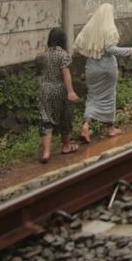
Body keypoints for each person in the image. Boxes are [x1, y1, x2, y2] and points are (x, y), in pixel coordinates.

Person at [74, 3, 132, 142]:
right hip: (108, 67)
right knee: (110, 95)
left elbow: (79, 43)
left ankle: (86, 126)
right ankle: (111, 128)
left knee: (92, 96)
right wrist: (130, 50)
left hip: (92, 67)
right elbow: (110, 49)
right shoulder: (109, 28)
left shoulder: (90, 28)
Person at [37, 27, 79, 163]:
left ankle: (46, 152)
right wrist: (71, 91)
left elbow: (39, 71)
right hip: (60, 89)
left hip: (45, 89)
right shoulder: (63, 55)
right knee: (64, 116)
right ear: (63, 40)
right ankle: (66, 146)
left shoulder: (42, 55)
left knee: (46, 118)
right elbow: (66, 73)